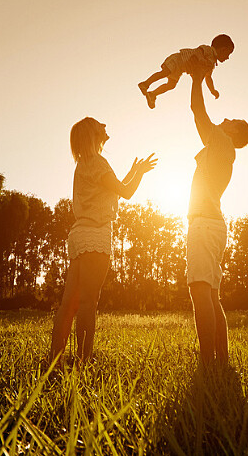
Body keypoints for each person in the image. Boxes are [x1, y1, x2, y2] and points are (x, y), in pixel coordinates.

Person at [47, 117, 156, 368]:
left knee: (69, 303)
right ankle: (84, 360)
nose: (105, 126)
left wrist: (132, 172)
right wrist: (139, 173)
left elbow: (112, 189)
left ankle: (54, 360)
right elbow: (126, 192)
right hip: (96, 235)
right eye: (99, 124)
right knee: (88, 302)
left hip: (79, 235)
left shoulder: (84, 163)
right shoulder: (98, 162)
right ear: (92, 133)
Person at [184, 70, 248, 367]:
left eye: (232, 120)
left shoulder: (223, 141)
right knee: (212, 296)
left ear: (234, 133)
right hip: (213, 224)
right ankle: (220, 362)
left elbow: (198, 111)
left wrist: (196, 78)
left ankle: (207, 363)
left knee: (201, 294)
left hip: (203, 224)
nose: (225, 119)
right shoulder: (222, 149)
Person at [138, 34, 234, 109]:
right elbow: (199, 51)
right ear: (223, 50)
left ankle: (153, 94)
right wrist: (198, 59)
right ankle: (145, 84)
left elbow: (208, 78)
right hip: (178, 60)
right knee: (165, 72)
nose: (227, 57)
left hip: (180, 69)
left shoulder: (211, 64)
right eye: (228, 53)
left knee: (171, 85)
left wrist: (212, 90)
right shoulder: (209, 50)